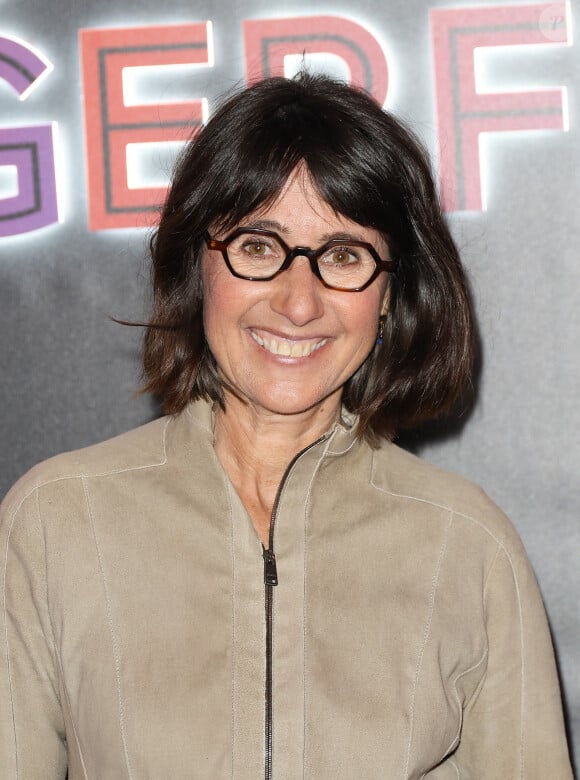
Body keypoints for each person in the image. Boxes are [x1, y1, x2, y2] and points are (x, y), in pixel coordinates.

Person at [0, 73, 573, 779]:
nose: (299, 303)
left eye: (343, 256)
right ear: (198, 264)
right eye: (260, 246)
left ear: (390, 295)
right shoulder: (56, 522)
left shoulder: (468, 547)